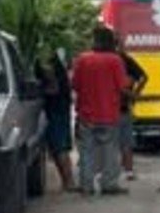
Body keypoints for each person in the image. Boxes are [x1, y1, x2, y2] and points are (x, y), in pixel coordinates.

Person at [72, 26, 130, 196]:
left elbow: (75, 85)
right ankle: (109, 184)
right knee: (110, 151)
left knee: (87, 151)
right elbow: (123, 86)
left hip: (86, 114)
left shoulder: (82, 60)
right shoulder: (115, 60)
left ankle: (86, 185)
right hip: (109, 114)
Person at [37, 50, 77, 193]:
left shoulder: (48, 66)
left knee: (59, 147)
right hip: (60, 108)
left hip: (55, 110)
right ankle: (67, 181)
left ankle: (69, 182)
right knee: (58, 148)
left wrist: (39, 91)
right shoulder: (56, 65)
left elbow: (53, 89)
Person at [116, 36, 147, 182]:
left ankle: (107, 170)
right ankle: (128, 170)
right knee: (126, 140)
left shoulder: (106, 59)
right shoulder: (125, 59)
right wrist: (135, 95)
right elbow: (144, 77)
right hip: (123, 105)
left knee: (108, 141)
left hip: (106, 106)